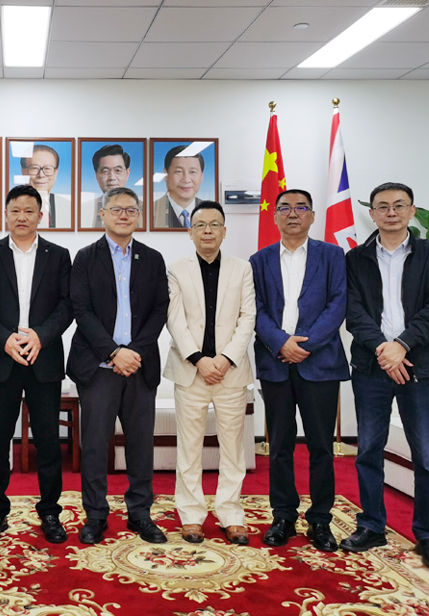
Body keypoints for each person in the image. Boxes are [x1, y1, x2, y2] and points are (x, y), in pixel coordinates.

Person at [341, 182, 429, 570]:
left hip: (421, 368)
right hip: (372, 368)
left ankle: (428, 536)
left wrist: (403, 345)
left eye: (398, 205)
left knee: (426, 456)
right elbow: (354, 312)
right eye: (383, 206)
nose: (391, 212)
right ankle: (372, 525)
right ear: (371, 213)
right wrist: (384, 349)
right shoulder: (355, 259)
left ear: (411, 211)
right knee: (368, 451)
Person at [67, 187, 169, 545]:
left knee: (141, 444)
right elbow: (81, 310)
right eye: (116, 209)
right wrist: (113, 352)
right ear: (103, 214)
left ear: (139, 215)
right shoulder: (85, 258)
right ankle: (95, 515)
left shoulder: (152, 258)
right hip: (98, 367)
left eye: (130, 209)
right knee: (95, 445)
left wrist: (133, 352)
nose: (123, 215)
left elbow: (160, 309)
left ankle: (140, 514)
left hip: (139, 366)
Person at [249, 189, 350, 553]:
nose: (293, 214)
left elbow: (338, 303)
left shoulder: (333, 255)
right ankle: (283, 516)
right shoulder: (259, 260)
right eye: (285, 208)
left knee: (321, 446)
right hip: (275, 362)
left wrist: (304, 345)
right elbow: (256, 308)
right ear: (274, 216)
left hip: (319, 363)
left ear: (312, 215)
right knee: (279, 445)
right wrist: (281, 343)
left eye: (301, 207)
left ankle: (320, 519)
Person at [0, 184, 74, 543]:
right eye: (15, 210)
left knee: (48, 441)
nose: (21, 217)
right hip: (1, 358)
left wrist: (40, 336)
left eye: (29, 211)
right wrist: (5, 338)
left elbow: (67, 305)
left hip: (42, 357)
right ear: (6, 214)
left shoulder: (58, 255)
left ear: (40, 216)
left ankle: (49, 512)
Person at [164, 200, 256, 545]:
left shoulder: (242, 269)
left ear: (224, 231)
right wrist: (199, 359)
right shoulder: (176, 269)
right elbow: (175, 320)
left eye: (214, 225)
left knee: (233, 447)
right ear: (190, 232)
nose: (207, 231)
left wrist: (226, 359)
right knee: (189, 447)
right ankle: (191, 514)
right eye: (200, 225)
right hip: (191, 372)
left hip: (231, 373)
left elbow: (248, 317)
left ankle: (231, 514)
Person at [84, 144, 141, 228]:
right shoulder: (85, 209)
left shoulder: (143, 209)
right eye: (105, 171)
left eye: (118, 170)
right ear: (96, 175)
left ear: (127, 173)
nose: (112, 178)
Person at [20, 145, 71, 229]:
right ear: (23, 172)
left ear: (56, 173)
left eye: (47, 169)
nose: (41, 175)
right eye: (34, 168)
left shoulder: (68, 207)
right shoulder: (10, 206)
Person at [153, 145, 204, 229]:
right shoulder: (149, 211)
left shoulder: (211, 211)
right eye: (179, 171)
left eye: (192, 172)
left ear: (201, 176)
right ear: (166, 175)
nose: (186, 180)